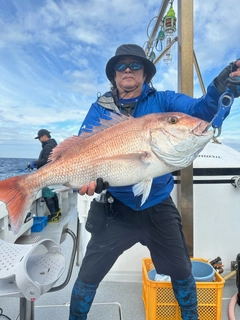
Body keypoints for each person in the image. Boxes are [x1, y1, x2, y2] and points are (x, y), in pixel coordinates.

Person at [69, 44, 240, 320]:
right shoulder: (98, 110)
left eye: (135, 65)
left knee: (183, 271)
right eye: (120, 66)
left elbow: (200, 111)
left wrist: (222, 89)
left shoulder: (163, 101)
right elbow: (81, 151)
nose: (127, 70)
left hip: (158, 204)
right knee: (88, 274)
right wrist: (90, 181)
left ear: (145, 74)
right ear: (113, 74)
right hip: (117, 207)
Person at [27, 129, 61, 222]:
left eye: (40, 138)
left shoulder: (48, 146)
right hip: (53, 172)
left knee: (47, 193)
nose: (39, 140)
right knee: (52, 192)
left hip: (48, 173)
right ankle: (57, 212)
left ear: (44, 136)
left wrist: (34, 163)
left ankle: (54, 214)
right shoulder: (53, 144)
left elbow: (46, 160)